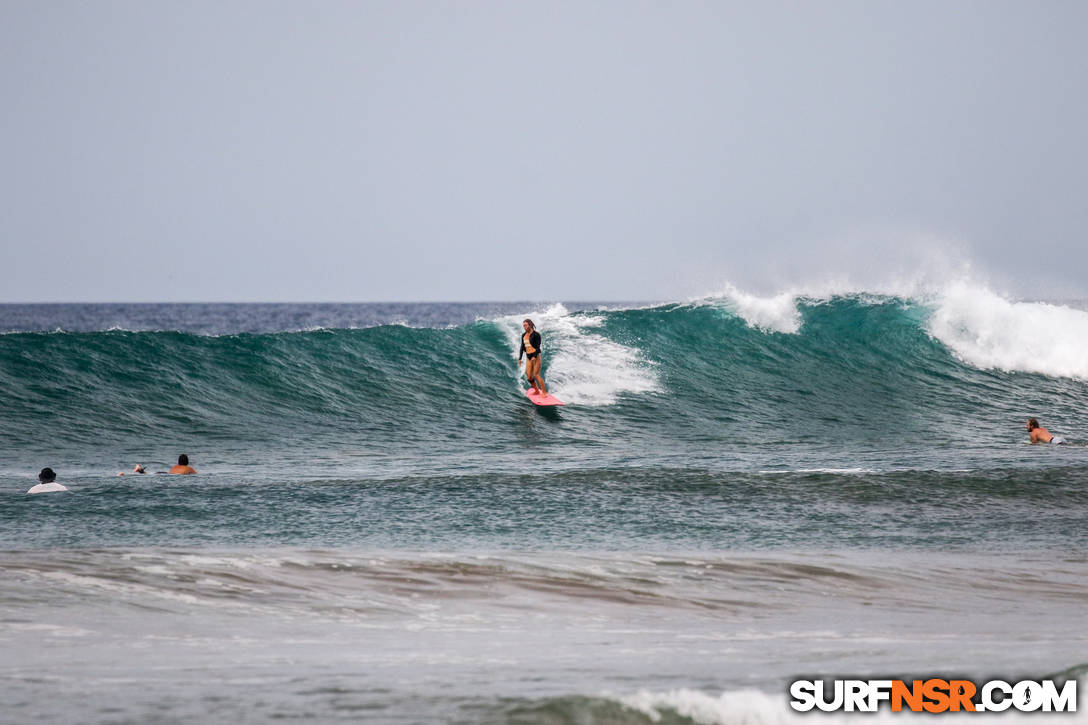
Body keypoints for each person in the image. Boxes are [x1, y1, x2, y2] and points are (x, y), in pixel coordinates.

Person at [518, 318, 548, 396]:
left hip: (536, 356)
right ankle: (537, 390)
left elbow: (538, 347)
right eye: (523, 325)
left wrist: (534, 356)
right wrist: (520, 358)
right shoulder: (523, 335)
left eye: (525, 325)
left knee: (536, 375)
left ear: (530, 325)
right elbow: (522, 347)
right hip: (528, 357)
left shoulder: (536, 335)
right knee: (529, 377)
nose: (524, 327)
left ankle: (544, 392)